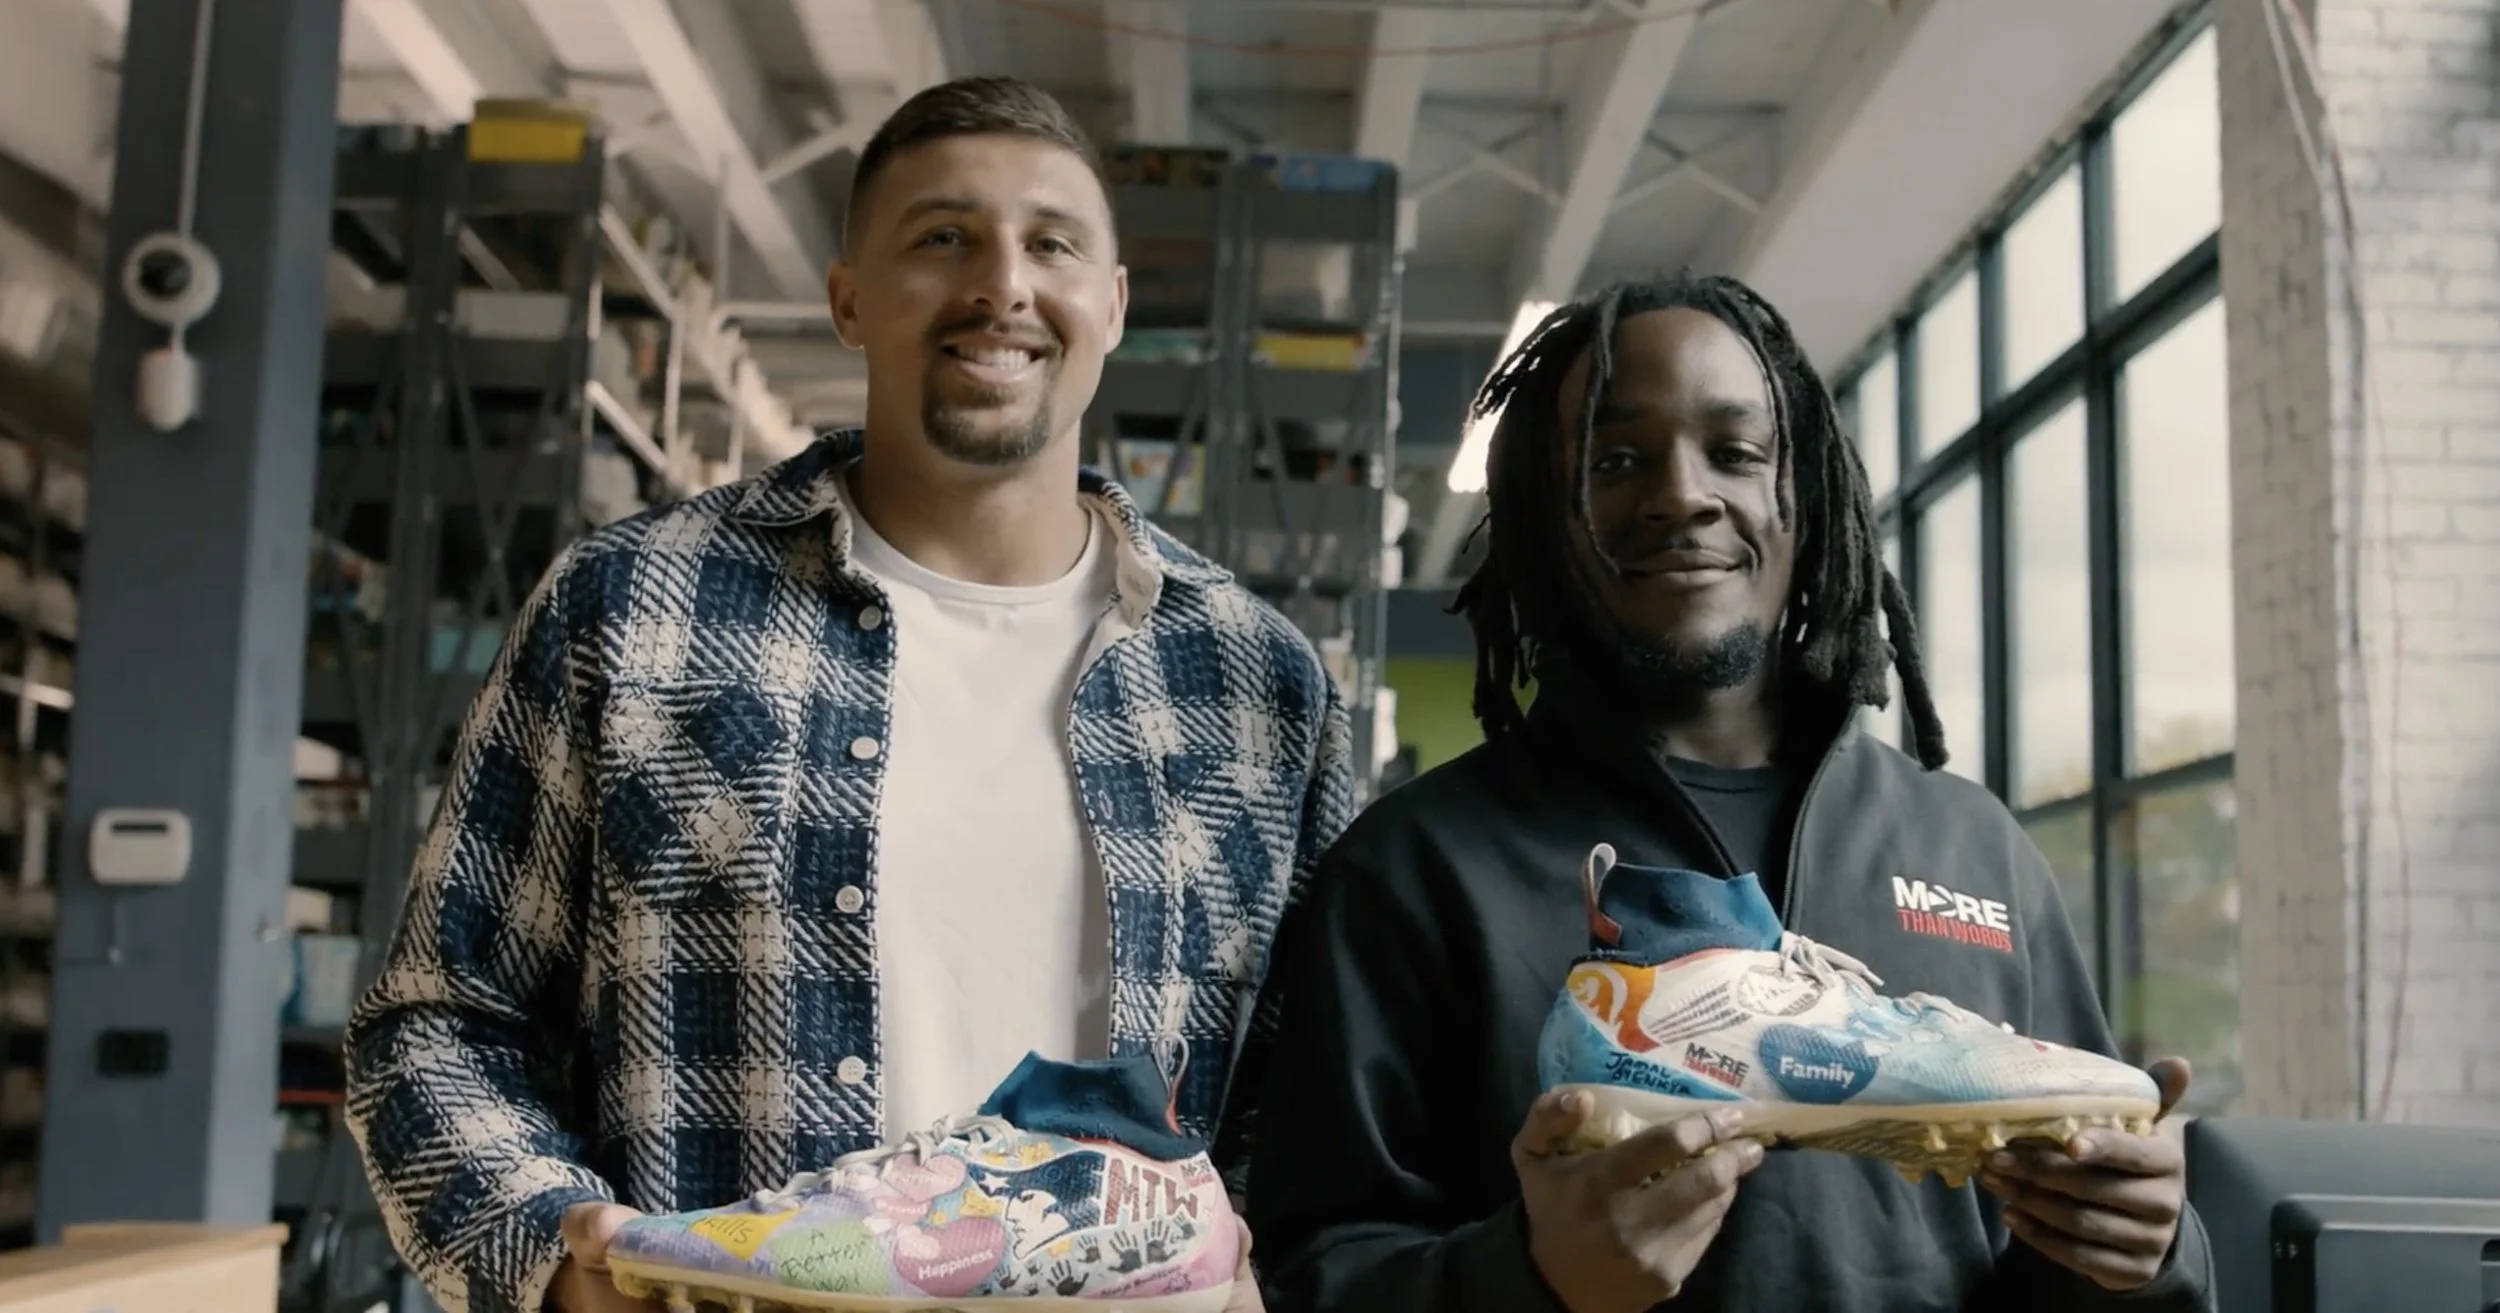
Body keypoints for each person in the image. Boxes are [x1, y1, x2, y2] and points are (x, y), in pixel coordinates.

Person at [344, 77, 1348, 1313]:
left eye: (1051, 244)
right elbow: (438, 1017)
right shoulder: (630, 608)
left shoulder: (1257, 681)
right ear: (849, 299)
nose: (1002, 284)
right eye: (943, 237)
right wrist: (554, 1256)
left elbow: (1313, 1098)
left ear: (1113, 304)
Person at [1239, 274, 2215, 1312]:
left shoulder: (1970, 845)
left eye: (1736, 451)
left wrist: (2147, 1256)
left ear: (1808, 494)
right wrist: (1526, 1275)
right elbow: (1305, 1274)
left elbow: (2068, 1239)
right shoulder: (1415, 869)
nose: (1681, 494)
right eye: (1614, 461)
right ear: (1540, 515)